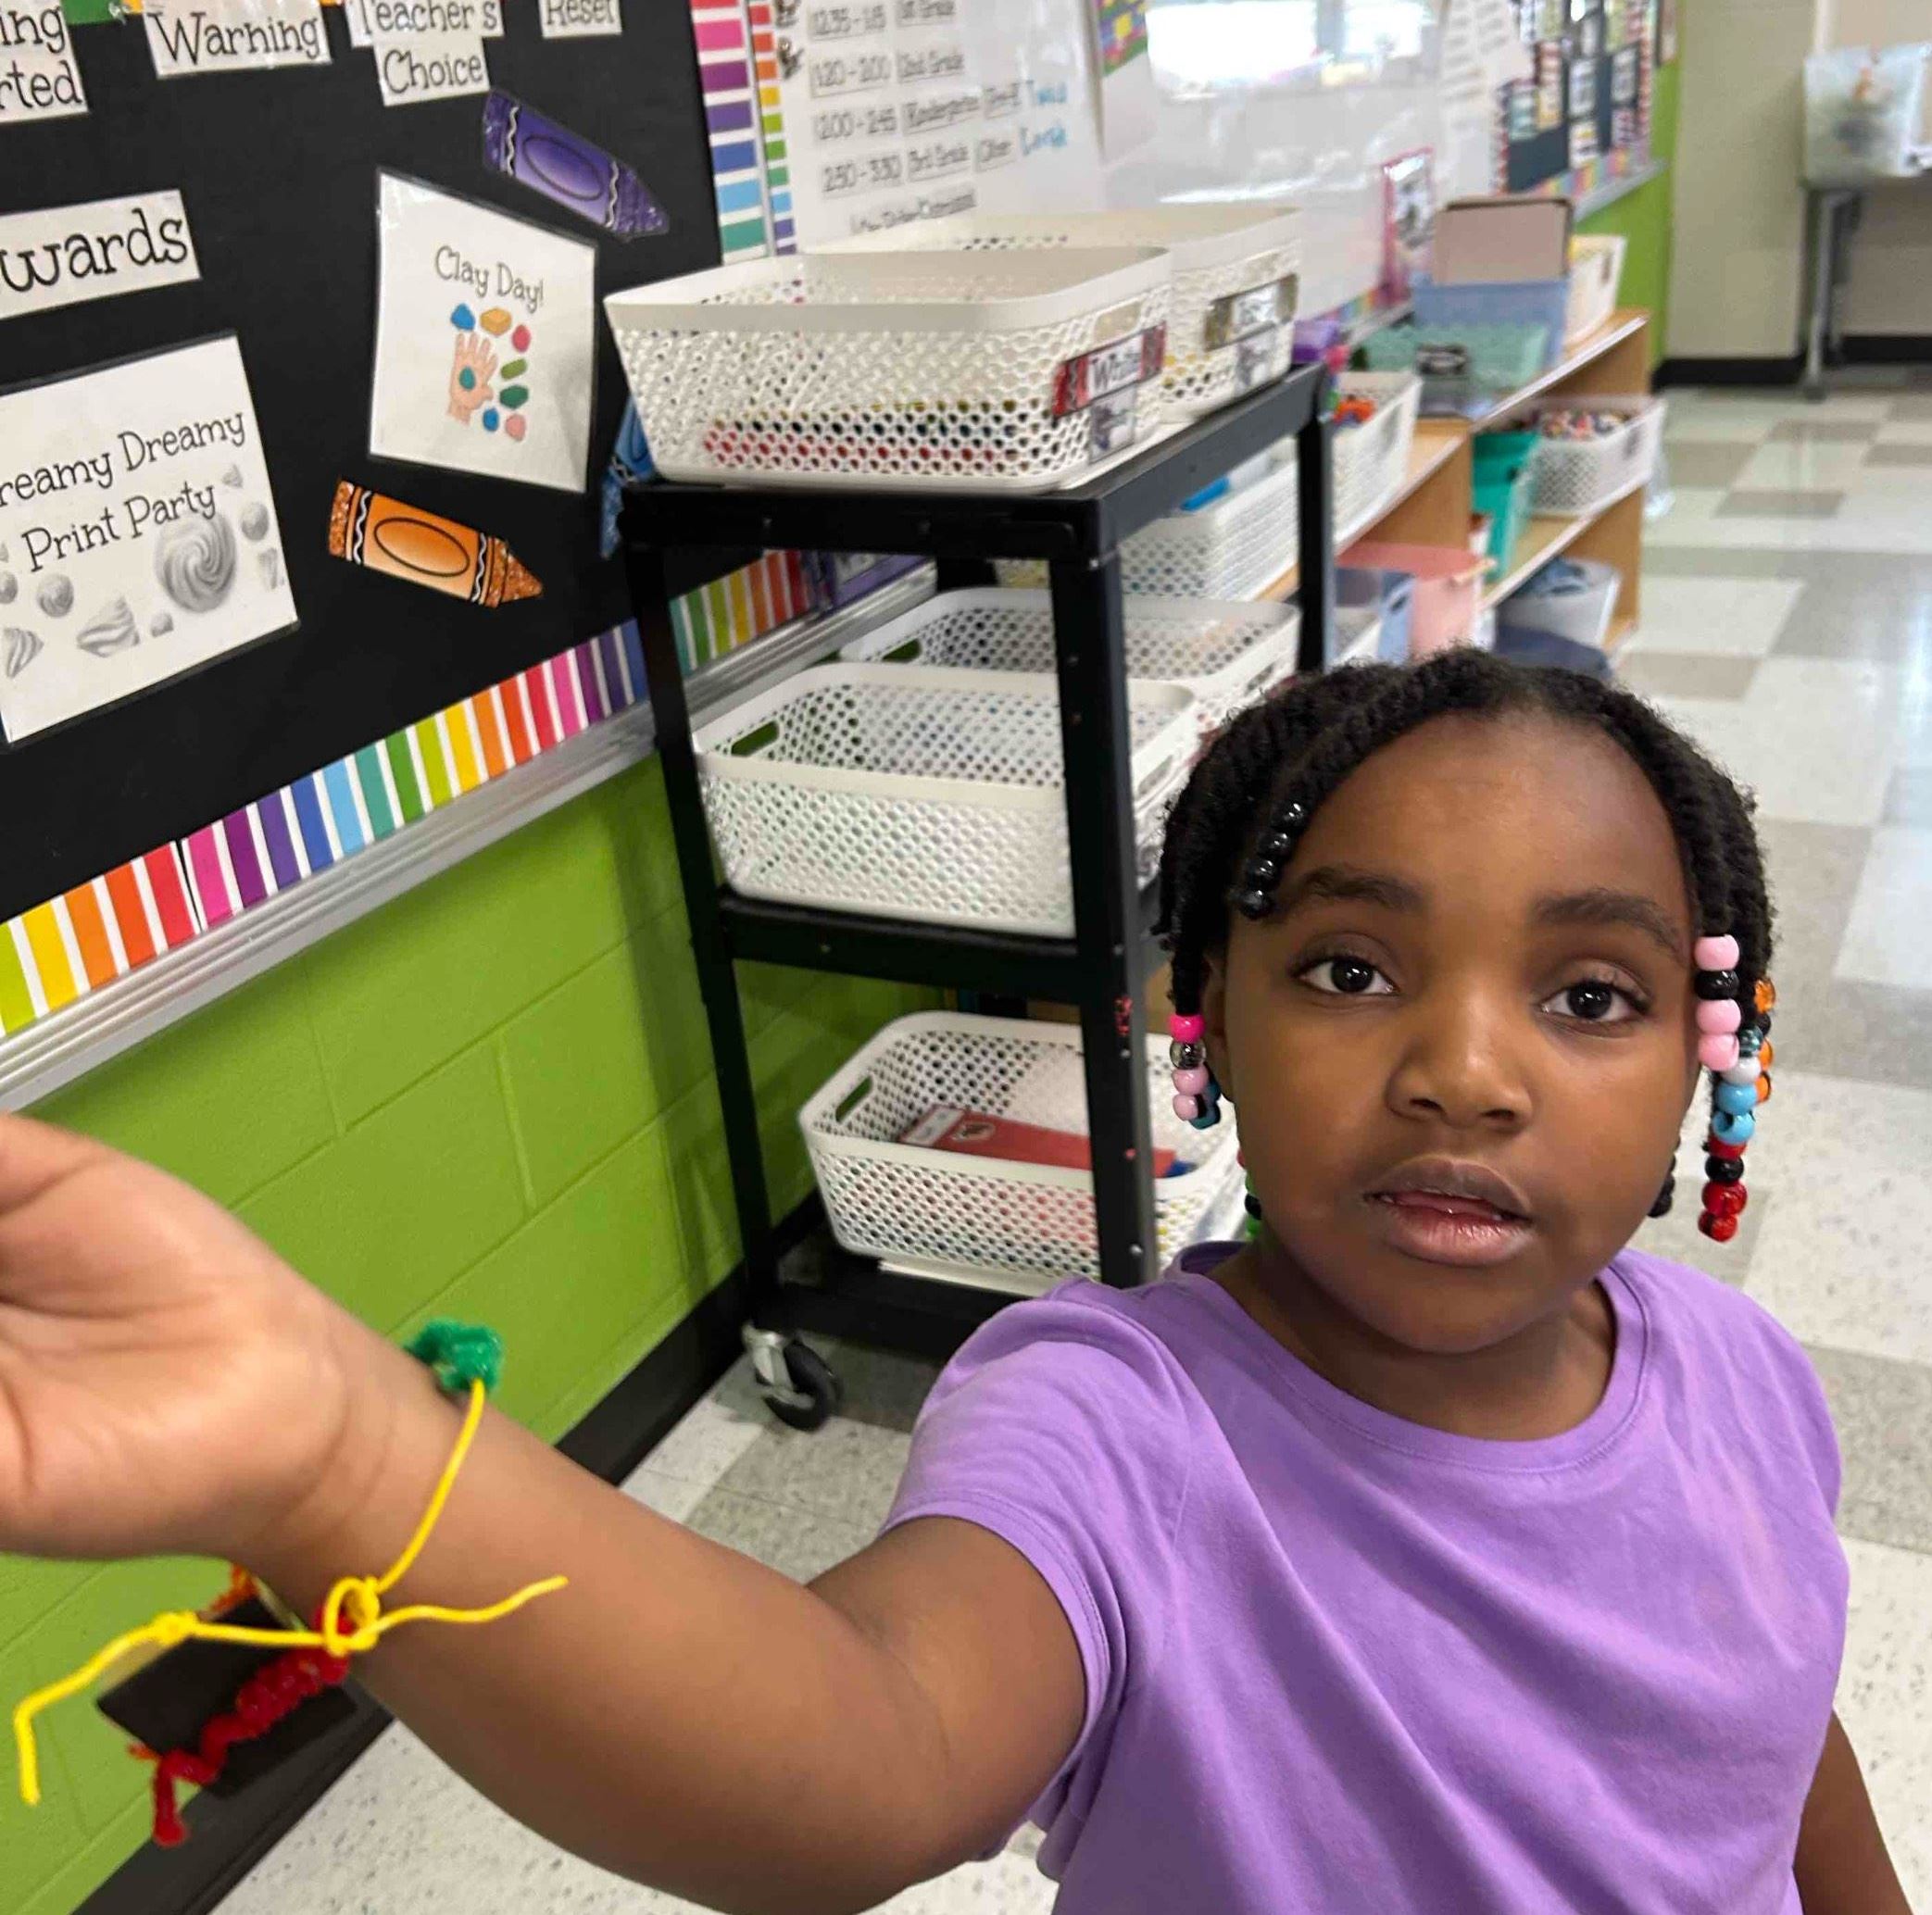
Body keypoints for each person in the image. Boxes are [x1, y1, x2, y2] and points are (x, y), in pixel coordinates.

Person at [0, 650, 1911, 1914]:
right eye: (1347, 969)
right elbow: (869, 1744)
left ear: (1705, 1057)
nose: (1463, 1072)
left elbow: (1763, 1739)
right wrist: (341, 1456)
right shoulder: (1114, 1423)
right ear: (1205, 1020)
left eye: (1588, 996)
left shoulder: (1736, 1374)